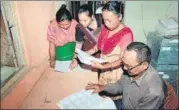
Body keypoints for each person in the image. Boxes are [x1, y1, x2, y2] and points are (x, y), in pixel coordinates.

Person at [76, 1, 133, 101]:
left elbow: (123, 60)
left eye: (109, 20)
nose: (105, 23)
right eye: (104, 19)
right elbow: (97, 47)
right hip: (103, 73)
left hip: (116, 75)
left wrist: (104, 66)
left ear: (119, 17)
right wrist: (84, 54)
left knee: (113, 101)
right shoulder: (105, 29)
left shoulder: (126, 34)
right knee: (102, 98)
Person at [86, 42, 165, 109]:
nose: (124, 68)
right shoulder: (131, 68)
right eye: (123, 63)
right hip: (124, 104)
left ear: (144, 65)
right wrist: (103, 87)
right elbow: (120, 85)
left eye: (129, 66)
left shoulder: (153, 92)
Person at [70, 4, 103, 71]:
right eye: (80, 20)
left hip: (105, 46)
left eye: (85, 20)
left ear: (92, 17)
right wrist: (75, 59)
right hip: (91, 50)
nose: (82, 23)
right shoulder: (80, 28)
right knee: (86, 64)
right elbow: (78, 46)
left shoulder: (102, 19)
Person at [47, 4, 78, 71]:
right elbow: (51, 46)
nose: (65, 27)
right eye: (61, 25)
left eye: (67, 24)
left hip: (72, 53)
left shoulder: (74, 25)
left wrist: (75, 58)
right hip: (59, 55)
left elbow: (78, 43)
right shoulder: (53, 26)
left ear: (71, 21)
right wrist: (52, 60)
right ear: (57, 23)